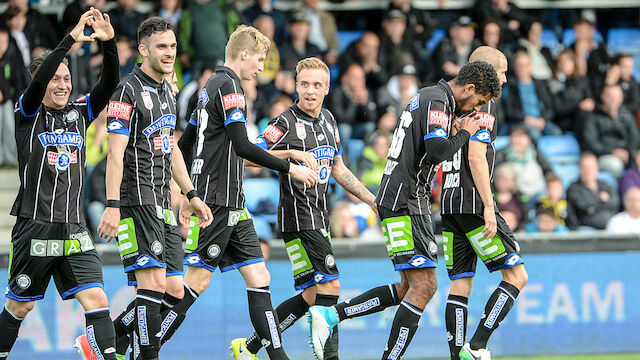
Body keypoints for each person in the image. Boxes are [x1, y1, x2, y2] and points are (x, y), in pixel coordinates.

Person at [308, 61, 501, 360]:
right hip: (406, 199)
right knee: (425, 286)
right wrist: (465, 133)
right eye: (480, 101)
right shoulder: (438, 100)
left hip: (400, 198)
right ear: (470, 88)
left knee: (408, 287)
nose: (478, 109)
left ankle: (332, 316)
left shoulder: (430, 97)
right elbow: (437, 149)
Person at [176, 25, 318, 360]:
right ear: (243, 55)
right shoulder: (231, 87)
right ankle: (132, 342)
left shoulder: (209, 85)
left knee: (259, 275)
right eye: (259, 59)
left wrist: (187, 192)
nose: (261, 67)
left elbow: (185, 145)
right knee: (194, 284)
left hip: (227, 200)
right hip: (217, 201)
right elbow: (242, 147)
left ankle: (274, 357)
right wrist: (289, 168)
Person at [231, 56, 378, 360]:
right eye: (304, 84)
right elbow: (248, 154)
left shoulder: (329, 120)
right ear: (296, 85)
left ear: (327, 88)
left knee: (313, 295)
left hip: (318, 216)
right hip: (299, 217)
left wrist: (371, 199)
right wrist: (289, 154)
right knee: (332, 285)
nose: (310, 91)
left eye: (317, 85)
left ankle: (249, 347)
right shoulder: (284, 121)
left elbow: (339, 169)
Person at [0, 9, 119, 360]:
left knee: (97, 299)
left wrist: (108, 42)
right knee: (19, 308)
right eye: (55, 78)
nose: (63, 84)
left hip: (73, 229)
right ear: (41, 84)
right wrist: (70, 40)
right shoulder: (28, 112)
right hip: (35, 227)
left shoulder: (80, 111)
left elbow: (109, 83)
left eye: (67, 78)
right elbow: (38, 83)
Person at [97, 17, 212, 360]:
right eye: (161, 47)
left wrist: (190, 194)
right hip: (136, 199)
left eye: (173, 46)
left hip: (163, 200)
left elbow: (171, 145)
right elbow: (114, 153)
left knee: (176, 290)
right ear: (143, 49)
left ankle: (111, 337)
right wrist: (113, 204)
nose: (169, 53)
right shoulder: (127, 90)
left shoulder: (166, 89)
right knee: (153, 286)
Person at [439, 46, 528, 360]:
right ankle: (477, 345)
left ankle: (458, 355)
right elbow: (476, 155)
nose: (504, 78)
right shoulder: (485, 104)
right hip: (473, 204)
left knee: (461, 283)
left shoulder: (453, 102)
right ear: (487, 71)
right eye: (502, 71)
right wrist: (489, 206)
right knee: (517, 276)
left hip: (449, 203)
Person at [581, 84, 640, 178]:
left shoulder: (627, 115)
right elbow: (591, 143)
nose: (614, 100)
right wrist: (612, 151)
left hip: (628, 153)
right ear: (603, 96)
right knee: (615, 165)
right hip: (604, 156)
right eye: (610, 96)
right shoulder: (593, 117)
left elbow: (635, 138)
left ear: (621, 98)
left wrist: (627, 152)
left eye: (617, 96)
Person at [503, 51, 560, 142]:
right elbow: (509, 110)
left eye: (525, 65)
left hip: (541, 120)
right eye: (519, 65)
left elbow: (550, 107)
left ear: (530, 66)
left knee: (557, 133)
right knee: (535, 135)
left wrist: (543, 119)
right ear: (515, 67)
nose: (522, 68)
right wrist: (526, 119)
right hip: (522, 121)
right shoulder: (510, 85)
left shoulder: (540, 84)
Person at [566, 153, 619, 230]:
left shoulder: (605, 185)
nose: (588, 171)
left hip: (609, 226)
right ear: (579, 169)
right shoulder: (573, 188)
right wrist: (601, 199)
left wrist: (593, 208)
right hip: (585, 229)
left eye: (590, 167)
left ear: (597, 168)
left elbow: (614, 202)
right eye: (584, 167)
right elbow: (583, 206)